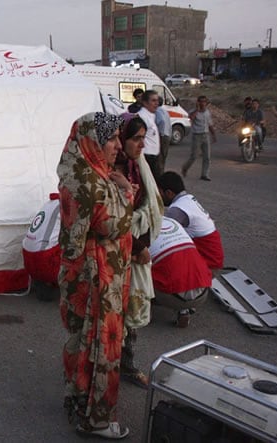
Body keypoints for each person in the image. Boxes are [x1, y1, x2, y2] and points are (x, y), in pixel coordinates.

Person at [57, 111, 134, 440]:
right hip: (97, 280)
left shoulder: (78, 169)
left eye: (118, 138)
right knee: (101, 346)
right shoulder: (92, 183)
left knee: (80, 340)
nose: (118, 145)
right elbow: (116, 224)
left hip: (82, 274)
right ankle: (97, 419)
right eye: (112, 139)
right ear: (93, 142)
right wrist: (126, 192)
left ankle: (78, 400)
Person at [114, 114, 164, 389]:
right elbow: (112, 218)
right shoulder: (114, 171)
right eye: (136, 138)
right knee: (116, 313)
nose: (141, 144)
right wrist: (137, 248)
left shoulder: (137, 167)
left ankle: (126, 365)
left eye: (143, 138)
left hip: (137, 249)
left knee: (130, 313)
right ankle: (113, 366)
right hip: (122, 252)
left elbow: (146, 208)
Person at [150, 216, 213, 328]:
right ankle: (184, 311)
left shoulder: (139, 227)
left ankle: (143, 310)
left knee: (138, 267)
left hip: (169, 297)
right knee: (184, 267)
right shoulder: (173, 221)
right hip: (203, 292)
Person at [158, 171, 224, 271]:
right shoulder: (188, 199)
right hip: (215, 256)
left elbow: (161, 235)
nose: (158, 197)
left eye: (159, 193)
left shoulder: (177, 210)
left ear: (169, 193)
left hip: (208, 261)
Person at [181, 95, 216, 181]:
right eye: (201, 101)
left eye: (204, 101)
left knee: (207, 156)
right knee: (194, 156)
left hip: (205, 135)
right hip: (197, 135)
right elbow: (191, 118)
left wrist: (213, 134)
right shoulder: (193, 111)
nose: (203, 103)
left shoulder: (207, 112)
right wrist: (197, 109)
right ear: (198, 102)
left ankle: (205, 174)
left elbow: (210, 124)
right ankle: (185, 168)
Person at [136, 90, 161, 177]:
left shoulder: (150, 116)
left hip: (154, 157)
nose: (156, 103)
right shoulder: (142, 116)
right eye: (153, 101)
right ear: (145, 103)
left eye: (157, 100)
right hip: (147, 157)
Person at [155, 96, 172, 176]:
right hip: (167, 135)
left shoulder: (157, 111)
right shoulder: (165, 111)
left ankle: (159, 174)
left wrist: (160, 134)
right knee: (163, 155)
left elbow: (161, 122)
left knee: (159, 157)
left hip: (162, 136)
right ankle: (161, 172)